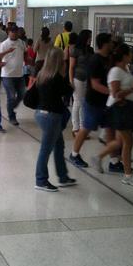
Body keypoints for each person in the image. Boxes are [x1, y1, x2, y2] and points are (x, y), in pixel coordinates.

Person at [90, 44, 133, 187]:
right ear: (125, 55)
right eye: (130, 53)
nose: (132, 56)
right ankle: (127, 175)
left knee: (121, 142)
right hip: (118, 108)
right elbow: (116, 94)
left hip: (125, 108)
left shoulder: (125, 69)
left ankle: (98, 157)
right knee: (128, 142)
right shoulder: (115, 71)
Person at [34, 47, 77, 191]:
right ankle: (41, 180)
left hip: (41, 113)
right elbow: (69, 91)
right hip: (51, 116)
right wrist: (68, 77)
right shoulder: (57, 78)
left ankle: (63, 176)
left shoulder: (42, 74)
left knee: (58, 145)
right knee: (46, 149)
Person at [69, 33, 113, 169]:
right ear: (105, 43)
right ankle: (74, 154)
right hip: (94, 101)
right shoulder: (95, 60)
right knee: (85, 128)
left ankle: (114, 161)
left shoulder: (105, 58)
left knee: (110, 131)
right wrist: (113, 92)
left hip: (105, 102)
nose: (112, 44)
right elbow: (94, 84)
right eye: (110, 42)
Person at [0, 24, 26, 126]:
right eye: (12, 31)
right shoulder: (4, 44)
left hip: (19, 74)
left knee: (22, 94)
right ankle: (11, 116)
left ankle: (11, 107)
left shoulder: (21, 43)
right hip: (7, 75)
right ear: (8, 32)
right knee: (11, 96)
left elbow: (25, 54)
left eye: (16, 31)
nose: (14, 33)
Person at [69, 29, 93, 136]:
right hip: (77, 78)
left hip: (88, 79)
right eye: (89, 37)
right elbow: (71, 67)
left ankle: (83, 128)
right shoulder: (75, 50)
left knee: (84, 103)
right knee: (78, 102)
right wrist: (70, 80)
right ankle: (75, 128)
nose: (90, 40)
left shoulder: (90, 50)